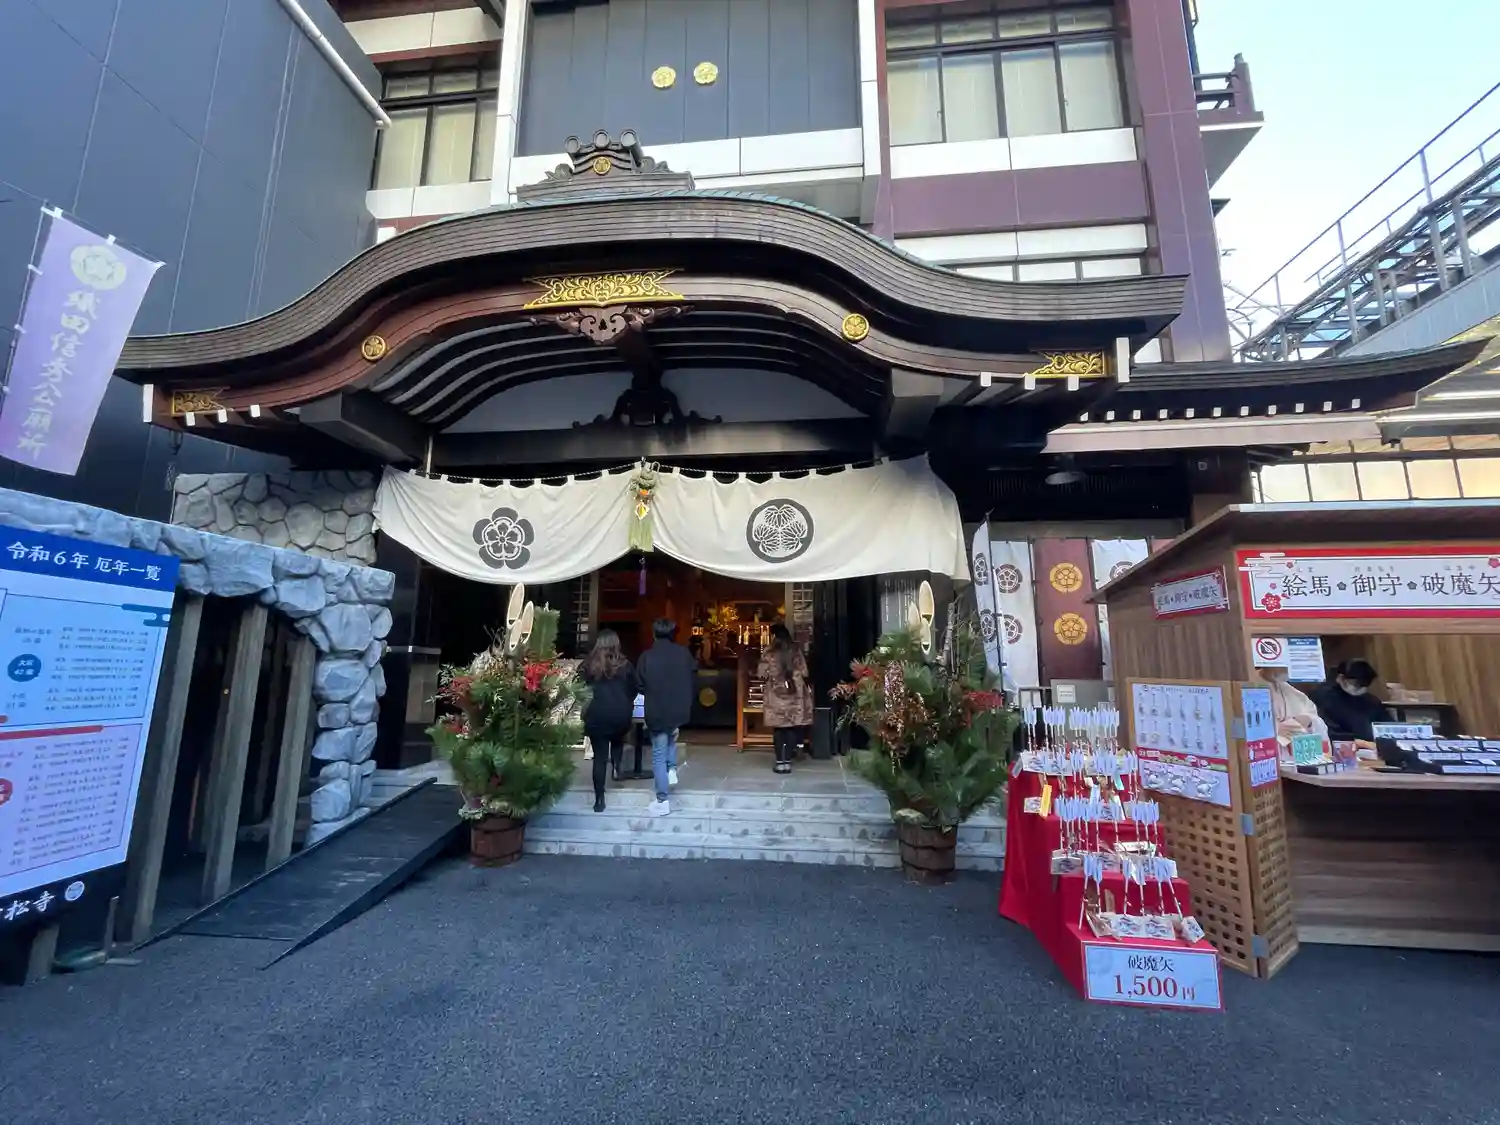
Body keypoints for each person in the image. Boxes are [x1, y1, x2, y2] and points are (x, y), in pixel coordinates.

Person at [635, 617, 696, 816]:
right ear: (673, 634)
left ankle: (662, 800)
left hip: (657, 709)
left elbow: (640, 685)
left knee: (658, 754)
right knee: (670, 737)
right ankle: (671, 770)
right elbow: (693, 677)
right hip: (678, 709)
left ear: (654, 634)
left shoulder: (647, 657)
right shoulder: (684, 654)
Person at [578, 630, 637, 813]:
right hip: (620, 713)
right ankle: (617, 766)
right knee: (618, 734)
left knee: (600, 758)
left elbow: (577, 687)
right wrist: (625, 700)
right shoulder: (625, 664)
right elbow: (634, 688)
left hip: (597, 714)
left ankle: (599, 800)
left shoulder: (588, 665)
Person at [758, 623, 812, 774]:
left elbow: (761, 673)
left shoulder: (769, 652)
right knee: (790, 727)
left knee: (779, 729)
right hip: (794, 693)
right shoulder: (795, 651)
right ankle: (787, 761)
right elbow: (805, 672)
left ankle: (780, 762)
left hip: (775, 693)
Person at [1309, 658, 1392, 742]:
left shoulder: (1372, 701)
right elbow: (1324, 729)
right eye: (1356, 683)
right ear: (1341, 678)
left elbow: (1388, 725)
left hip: (1370, 745)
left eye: (1365, 684)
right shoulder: (1322, 696)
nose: (1360, 687)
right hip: (1338, 744)